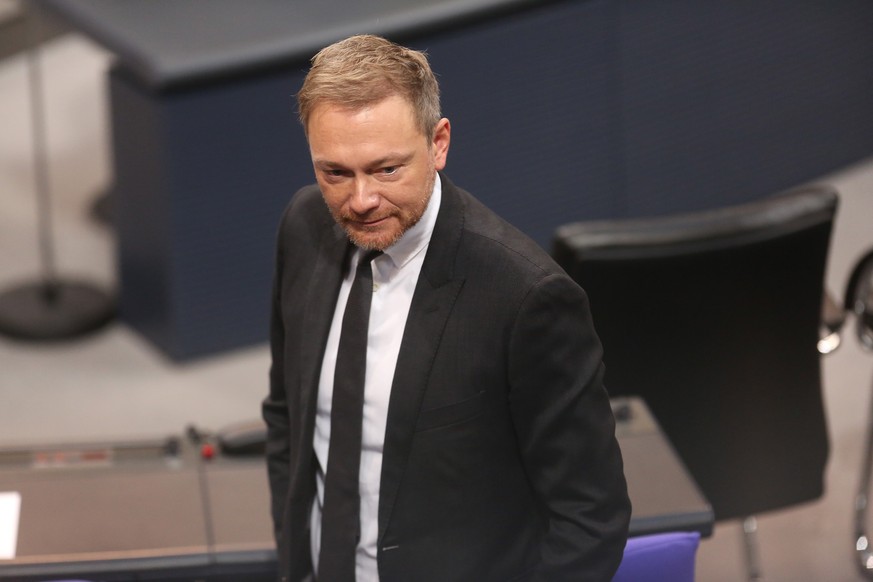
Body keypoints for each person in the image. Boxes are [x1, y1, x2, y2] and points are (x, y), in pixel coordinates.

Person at [262, 34, 630, 582]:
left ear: (439, 143)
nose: (360, 200)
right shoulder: (304, 223)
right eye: (335, 172)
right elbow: (287, 415)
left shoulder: (525, 296)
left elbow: (590, 518)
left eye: (387, 169)